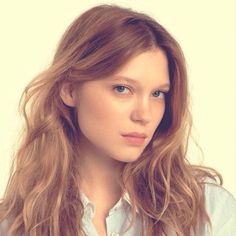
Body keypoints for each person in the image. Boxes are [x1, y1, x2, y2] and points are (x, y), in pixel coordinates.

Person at [0, 3, 236, 236]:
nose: (144, 115)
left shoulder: (208, 211)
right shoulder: (14, 225)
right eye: (122, 89)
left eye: (157, 94)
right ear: (70, 90)